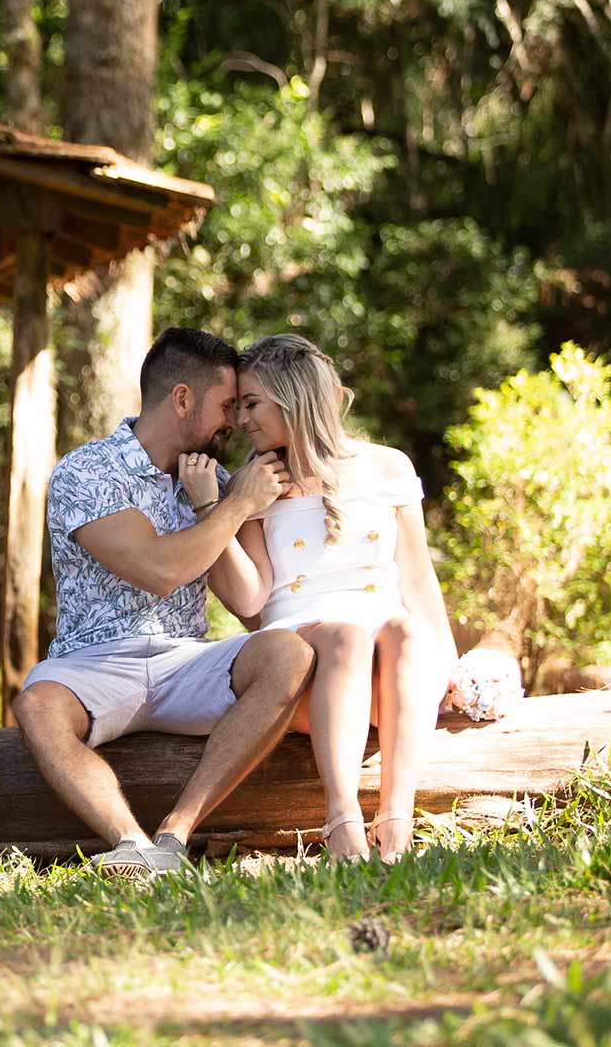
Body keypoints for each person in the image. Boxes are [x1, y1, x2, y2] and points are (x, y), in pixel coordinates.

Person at [14, 328, 314, 878]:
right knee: (37, 705)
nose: (235, 421)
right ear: (181, 399)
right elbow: (159, 569)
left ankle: (174, 838)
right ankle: (130, 844)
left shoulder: (216, 481)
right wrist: (236, 504)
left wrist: (214, 504)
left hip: (185, 660)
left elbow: (251, 605)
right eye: (226, 406)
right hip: (94, 661)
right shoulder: (88, 473)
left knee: (287, 654)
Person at [182, 333, 457, 863]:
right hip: (306, 671)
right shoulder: (253, 483)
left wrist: (447, 667)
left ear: (295, 398)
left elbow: (418, 580)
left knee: (404, 631)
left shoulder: (389, 468)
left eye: (252, 403)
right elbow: (248, 599)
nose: (241, 420)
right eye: (238, 406)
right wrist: (219, 509)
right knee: (345, 637)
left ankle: (397, 817)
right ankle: (342, 819)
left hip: (384, 677)